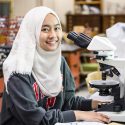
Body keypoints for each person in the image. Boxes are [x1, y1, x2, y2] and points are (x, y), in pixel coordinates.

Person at [1, 6, 110, 125]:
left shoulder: (60, 62)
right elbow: (35, 119)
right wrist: (79, 114)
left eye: (57, 28)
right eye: (45, 29)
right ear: (32, 32)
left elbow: (69, 102)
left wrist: (96, 103)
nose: (53, 35)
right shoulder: (18, 70)